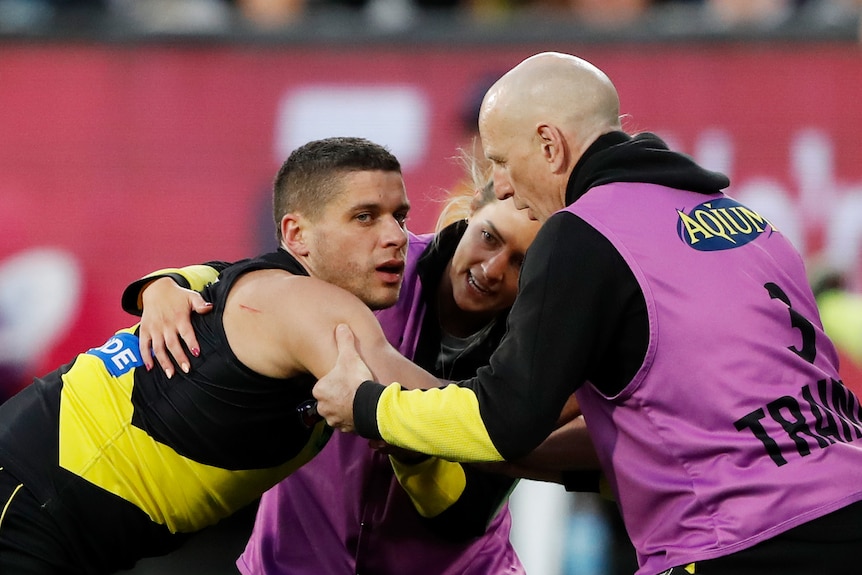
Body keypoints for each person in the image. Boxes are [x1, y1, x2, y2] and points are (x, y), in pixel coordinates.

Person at [311, 53, 862, 575]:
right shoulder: (749, 222)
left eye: (501, 161)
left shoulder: (582, 233)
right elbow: (660, 429)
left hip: (740, 543)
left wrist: (368, 407)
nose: (499, 184)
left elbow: (505, 418)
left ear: (549, 146)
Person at [0, 136, 430, 574]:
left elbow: (205, 274)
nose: (396, 237)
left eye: (400, 216)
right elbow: (440, 410)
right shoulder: (308, 304)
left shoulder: (251, 282)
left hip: (47, 503)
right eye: (365, 218)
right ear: (296, 235)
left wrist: (160, 283)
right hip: (27, 491)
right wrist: (502, 388)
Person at [130, 163, 544, 574]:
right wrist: (165, 284)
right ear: (471, 209)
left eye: (521, 262)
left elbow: (464, 515)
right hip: (287, 563)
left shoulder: (539, 351)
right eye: (489, 237)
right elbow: (264, 278)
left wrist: (401, 435)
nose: (492, 270)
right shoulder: (375, 265)